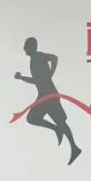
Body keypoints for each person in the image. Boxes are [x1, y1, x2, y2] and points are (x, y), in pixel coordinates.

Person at [14, 37, 82, 165]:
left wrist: (51, 73)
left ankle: (72, 145)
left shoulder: (38, 56)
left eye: (26, 45)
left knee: (54, 121)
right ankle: (69, 142)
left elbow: (54, 58)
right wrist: (22, 78)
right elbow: (36, 81)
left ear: (32, 46)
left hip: (49, 95)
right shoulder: (33, 60)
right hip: (44, 95)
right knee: (38, 119)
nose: (24, 48)